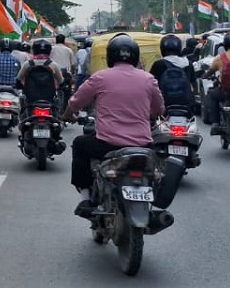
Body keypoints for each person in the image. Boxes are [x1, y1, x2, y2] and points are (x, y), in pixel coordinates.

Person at [61, 34, 164, 217]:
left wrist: (68, 115)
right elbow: (158, 109)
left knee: (79, 144)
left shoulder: (100, 77)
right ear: (135, 56)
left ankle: (85, 198)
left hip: (107, 145)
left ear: (110, 56)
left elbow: (75, 102)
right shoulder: (148, 79)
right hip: (143, 145)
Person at [148, 34, 196, 110]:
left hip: (164, 102)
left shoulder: (159, 64)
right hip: (186, 102)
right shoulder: (188, 63)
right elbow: (194, 83)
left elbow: (150, 84)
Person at [17, 39, 64, 110]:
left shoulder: (28, 64)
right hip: (49, 99)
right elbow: (61, 82)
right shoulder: (53, 65)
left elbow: (18, 79)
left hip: (30, 99)